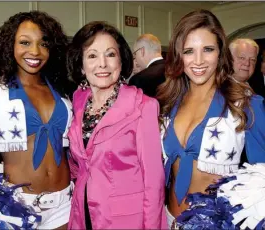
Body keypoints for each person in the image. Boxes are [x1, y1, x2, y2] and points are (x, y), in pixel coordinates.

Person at [157, 9, 265, 229]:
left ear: (220, 53)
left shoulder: (246, 103)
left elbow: (261, 175)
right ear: (179, 55)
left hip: (213, 223)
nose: (198, 61)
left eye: (207, 49)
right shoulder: (169, 101)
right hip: (167, 218)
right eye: (189, 51)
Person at [0, 11, 75, 229]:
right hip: (15, 207)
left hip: (64, 204)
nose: (35, 51)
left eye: (43, 44)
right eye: (25, 42)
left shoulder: (63, 92)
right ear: (10, 46)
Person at [67, 21, 167, 229]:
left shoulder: (143, 106)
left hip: (124, 219)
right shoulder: (77, 101)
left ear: (121, 60)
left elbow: (153, 182)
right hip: (82, 214)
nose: (102, 64)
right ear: (81, 65)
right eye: (92, 55)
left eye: (110, 54)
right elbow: (80, 163)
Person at [128, 34, 165, 98]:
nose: (135, 59)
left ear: (142, 51)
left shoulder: (139, 79)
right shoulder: (177, 69)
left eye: (135, 54)